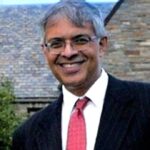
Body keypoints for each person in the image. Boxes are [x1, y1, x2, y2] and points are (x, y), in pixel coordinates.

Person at [12, 0, 150, 150]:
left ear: (102, 45)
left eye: (80, 40)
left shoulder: (145, 103)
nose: (68, 52)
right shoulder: (27, 136)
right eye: (56, 43)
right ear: (45, 51)